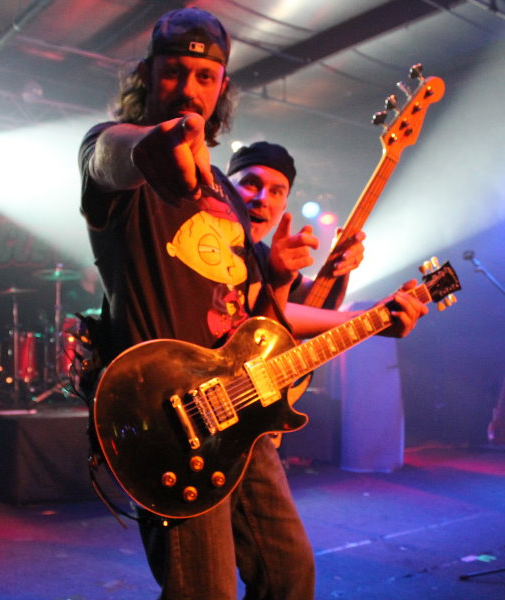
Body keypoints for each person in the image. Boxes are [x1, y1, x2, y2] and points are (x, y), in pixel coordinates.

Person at [78, 8, 425, 599]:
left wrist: (366, 318)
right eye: (173, 71)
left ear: (222, 88)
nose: (188, 88)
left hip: (242, 419)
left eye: (205, 77)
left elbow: (265, 322)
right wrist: (151, 145)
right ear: (147, 75)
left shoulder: (225, 195)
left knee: (290, 574)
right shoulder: (119, 154)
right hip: (173, 423)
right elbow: (106, 155)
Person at [227, 140, 365, 310]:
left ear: (283, 207)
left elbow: (318, 307)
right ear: (224, 187)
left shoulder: (265, 257)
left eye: (276, 192)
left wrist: (340, 262)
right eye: (251, 184)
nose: (263, 199)